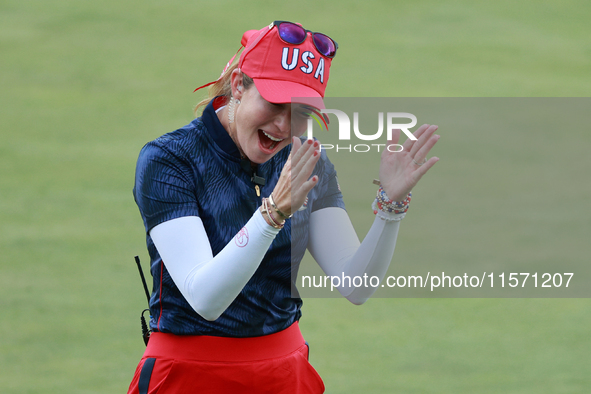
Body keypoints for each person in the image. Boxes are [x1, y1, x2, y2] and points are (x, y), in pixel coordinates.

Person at [127, 21, 439, 394]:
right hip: (189, 376)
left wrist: (392, 206)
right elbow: (205, 299)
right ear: (240, 84)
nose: (283, 125)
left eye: (302, 113)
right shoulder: (170, 159)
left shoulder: (310, 163)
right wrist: (272, 213)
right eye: (275, 103)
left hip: (284, 375)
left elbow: (355, 285)